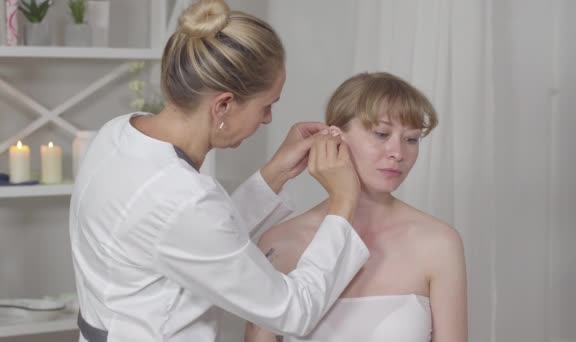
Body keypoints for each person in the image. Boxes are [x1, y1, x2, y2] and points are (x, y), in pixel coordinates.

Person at [68, 1, 370, 341]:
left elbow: (188, 239)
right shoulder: (181, 198)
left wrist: (276, 172)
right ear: (223, 105)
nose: (268, 119)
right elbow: (292, 310)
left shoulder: (117, 133)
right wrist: (343, 202)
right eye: (266, 105)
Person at [245, 72, 468, 342]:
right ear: (335, 136)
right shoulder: (279, 243)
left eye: (411, 139)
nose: (398, 152)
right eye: (382, 134)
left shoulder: (439, 243)